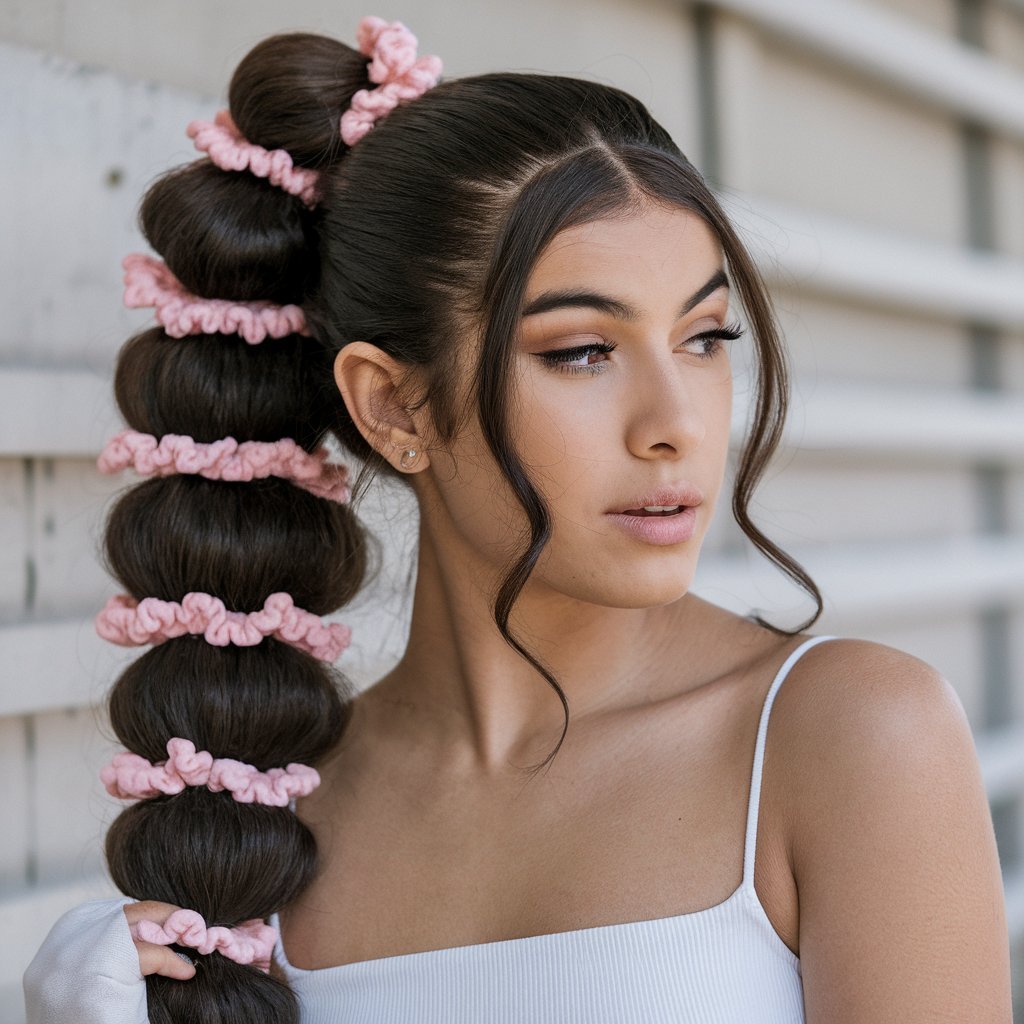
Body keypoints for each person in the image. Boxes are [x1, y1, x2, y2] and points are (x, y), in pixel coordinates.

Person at [24, 15, 1012, 1024]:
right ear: (394, 406)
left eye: (705, 338)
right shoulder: (273, 822)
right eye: (583, 350)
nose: (676, 424)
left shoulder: (848, 738)